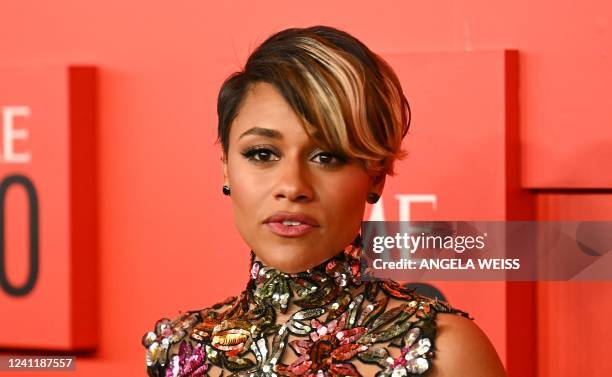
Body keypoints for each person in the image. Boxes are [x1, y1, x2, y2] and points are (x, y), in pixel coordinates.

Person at [142, 25, 506, 377]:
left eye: (327, 157)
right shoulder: (181, 350)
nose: (292, 186)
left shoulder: (441, 351)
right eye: (263, 153)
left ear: (375, 174)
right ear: (225, 167)